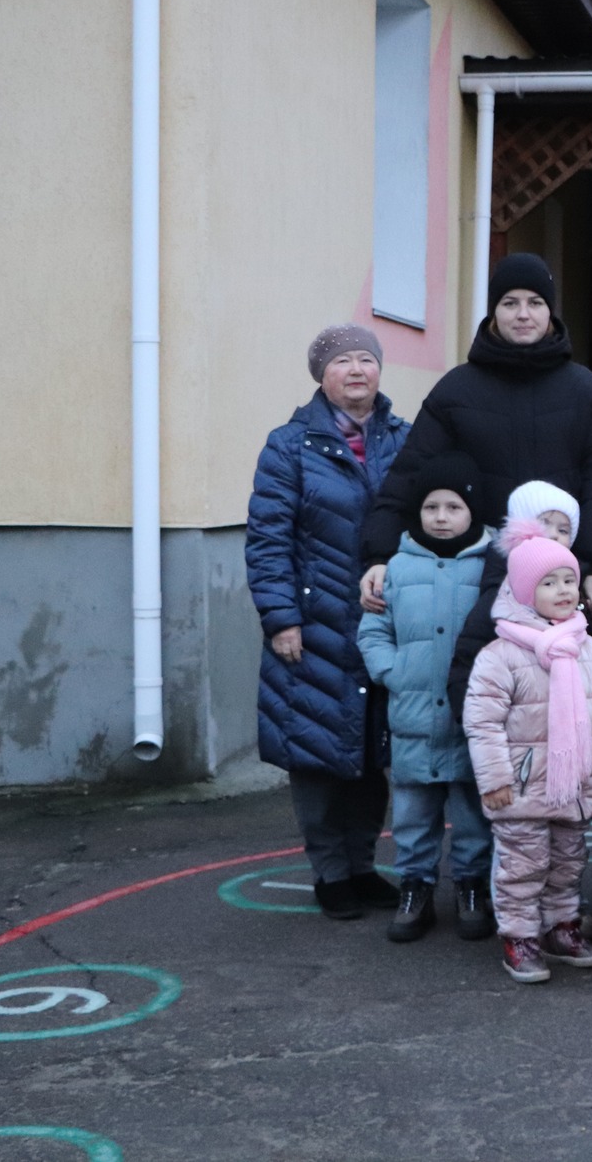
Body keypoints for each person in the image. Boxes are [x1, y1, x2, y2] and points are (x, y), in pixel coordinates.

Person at [359, 254, 592, 724]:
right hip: (476, 570)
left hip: (563, 573)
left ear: (550, 313)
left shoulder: (583, 390)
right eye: (509, 302)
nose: (523, 313)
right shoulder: (457, 390)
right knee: (481, 688)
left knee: (563, 700)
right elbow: (411, 475)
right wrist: (379, 555)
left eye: (535, 302)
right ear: (493, 313)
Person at [246, 324, 409, 921]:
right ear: (321, 374)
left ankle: (364, 867)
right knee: (315, 755)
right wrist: (281, 617)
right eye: (342, 362)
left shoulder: (404, 439)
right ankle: (330, 874)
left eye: (367, 359)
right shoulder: (288, 446)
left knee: (372, 753)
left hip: (382, 626)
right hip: (314, 626)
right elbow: (268, 539)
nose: (357, 370)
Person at [463, 527, 592, 985]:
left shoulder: (587, 647)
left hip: (574, 783)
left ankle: (561, 928)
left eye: (568, 580)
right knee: (523, 865)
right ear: (522, 590)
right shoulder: (501, 655)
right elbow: (483, 723)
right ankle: (520, 937)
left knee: (568, 863)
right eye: (548, 582)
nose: (562, 591)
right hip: (521, 787)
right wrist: (496, 780)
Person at [356, 452, 495, 943]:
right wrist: (393, 672)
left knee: (473, 809)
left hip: (469, 712)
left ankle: (473, 885)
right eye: (431, 507)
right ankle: (416, 885)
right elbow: (373, 631)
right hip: (412, 709)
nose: (440, 517)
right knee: (413, 811)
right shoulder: (394, 567)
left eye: (453, 507)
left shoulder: (489, 565)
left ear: (471, 512)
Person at [506, 480, 579, 546]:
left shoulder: (571, 561)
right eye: (543, 525)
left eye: (563, 531)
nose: (554, 534)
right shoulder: (502, 560)